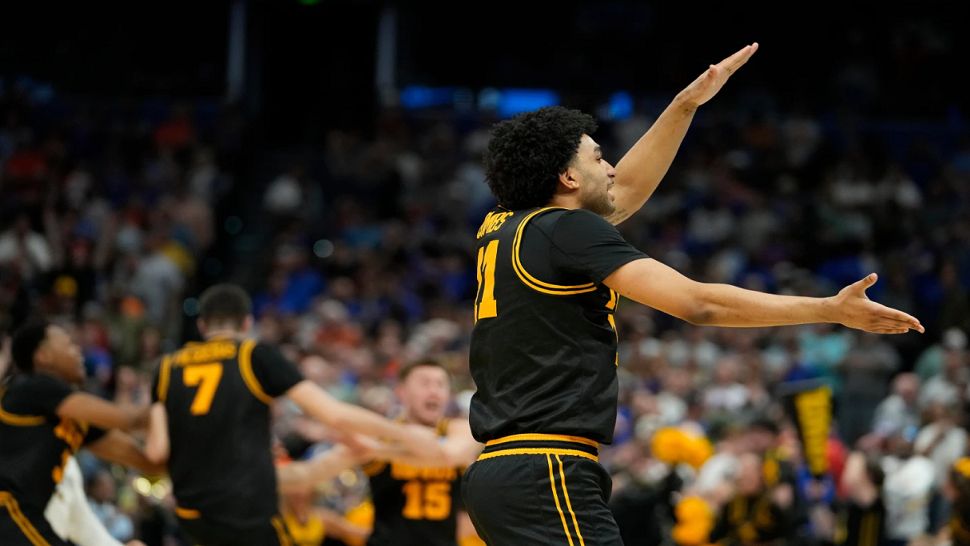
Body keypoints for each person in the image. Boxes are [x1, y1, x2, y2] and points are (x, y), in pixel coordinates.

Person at [462, 42, 925, 545]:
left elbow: (626, 193)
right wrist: (829, 309)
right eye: (599, 158)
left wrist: (685, 106)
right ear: (568, 177)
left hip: (502, 471)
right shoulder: (566, 231)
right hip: (545, 468)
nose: (612, 168)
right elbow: (698, 303)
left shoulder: (506, 225)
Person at [145, 283, 441, 546]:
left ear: (201, 325)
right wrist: (402, 434)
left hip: (190, 513)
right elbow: (334, 415)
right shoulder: (253, 355)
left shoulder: (167, 367)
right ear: (247, 323)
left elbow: (156, 451)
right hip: (243, 509)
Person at [0, 322, 162, 546]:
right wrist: (173, 394)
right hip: (7, 509)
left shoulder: (75, 418)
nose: (79, 351)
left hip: (23, 514)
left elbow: (146, 461)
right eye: (69, 345)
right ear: (43, 356)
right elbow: (129, 419)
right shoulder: (31, 386)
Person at [358, 359, 483, 546]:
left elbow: (451, 454)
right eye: (425, 383)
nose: (434, 391)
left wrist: (385, 450)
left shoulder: (459, 429)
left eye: (440, 384)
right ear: (401, 392)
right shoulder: (382, 435)